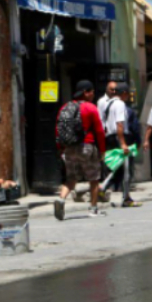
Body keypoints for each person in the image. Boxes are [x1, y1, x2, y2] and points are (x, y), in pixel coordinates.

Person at [54, 80, 106, 220]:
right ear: (86, 92)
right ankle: (93, 209)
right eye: (92, 91)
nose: (93, 94)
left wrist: (60, 148)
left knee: (71, 178)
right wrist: (102, 150)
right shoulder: (90, 107)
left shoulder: (65, 107)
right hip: (87, 146)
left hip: (69, 148)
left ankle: (61, 199)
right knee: (94, 178)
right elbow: (99, 131)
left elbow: (58, 130)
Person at [101, 82, 139, 208]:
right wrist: (123, 143)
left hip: (110, 137)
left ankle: (104, 188)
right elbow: (120, 124)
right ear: (123, 93)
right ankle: (125, 197)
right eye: (127, 94)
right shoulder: (120, 104)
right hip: (120, 137)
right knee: (126, 169)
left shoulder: (108, 104)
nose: (128, 96)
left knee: (117, 166)